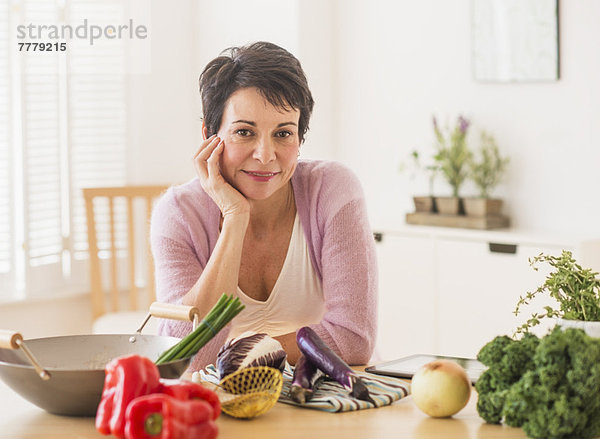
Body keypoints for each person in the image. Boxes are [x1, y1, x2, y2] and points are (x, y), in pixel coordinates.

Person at [150, 41, 377, 370]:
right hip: (223, 408)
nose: (265, 155)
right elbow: (185, 356)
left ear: (300, 138)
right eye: (244, 132)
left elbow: (353, 340)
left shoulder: (334, 191)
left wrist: (244, 354)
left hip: (328, 399)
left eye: (283, 133)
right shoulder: (178, 215)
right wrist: (235, 217)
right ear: (209, 135)